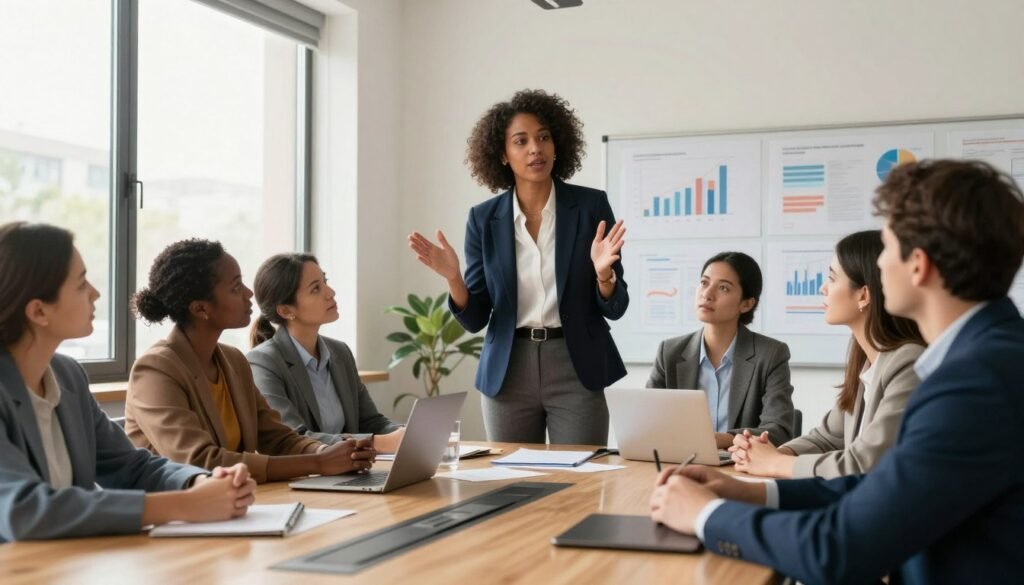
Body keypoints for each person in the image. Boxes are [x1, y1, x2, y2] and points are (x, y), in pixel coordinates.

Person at [649, 159, 1024, 584]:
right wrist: (752, 492)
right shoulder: (986, 357)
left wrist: (705, 515)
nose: (879, 268)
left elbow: (838, 547)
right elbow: (883, 487)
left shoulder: (975, 383)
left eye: (886, 249)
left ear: (918, 265)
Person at [0, 222, 255, 542]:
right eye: (81, 284)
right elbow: (23, 510)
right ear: (38, 311)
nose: (95, 292)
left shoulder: (68, 377)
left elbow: (132, 467)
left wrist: (201, 483)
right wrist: (185, 505)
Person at [407, 89, 628, 444]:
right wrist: (453, 278)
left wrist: (604, 275)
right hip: (509, 368)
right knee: (512, 482)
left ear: (558, 146)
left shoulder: (590, 207)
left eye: (543, 137)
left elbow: (616, 306)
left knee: (580, 483)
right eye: (521, 141)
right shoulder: (483, 219)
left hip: (576, 364)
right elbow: (477, 315)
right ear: (503, 155)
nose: (535, 149)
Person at [125, 239, 375, 484]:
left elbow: (277, 438)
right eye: (236, 287)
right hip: (172, 513)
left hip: (228, 505)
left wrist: (328, 453)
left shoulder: (233, 360)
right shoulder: (156, 370)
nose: (249, 293)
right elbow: (200, 461)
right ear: (201, 309)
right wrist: (318, 463)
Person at [729, 231, 925, 478]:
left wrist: (775, 464)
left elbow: (865, 463)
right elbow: (828, 437)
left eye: (832, 278)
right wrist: (773, 452)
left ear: (863, 295)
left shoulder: (908, 363)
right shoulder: (865, 362)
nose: (823, 288)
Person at [247, 253, 404, 452]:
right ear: (286, 311)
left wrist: (408, 434)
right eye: (315, 288)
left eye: (325, 281)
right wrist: (374, 442)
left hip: (352, 472)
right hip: (301, 478)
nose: (330, 292)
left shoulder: (340, 352)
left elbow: (370, 422)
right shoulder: (263, 362)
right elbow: (294, 437)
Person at [647, 252, 794, 448]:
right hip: (678, 462)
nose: (707, 294)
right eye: (704, 283)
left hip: (739, 467)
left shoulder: (771, 354)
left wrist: (723, 440)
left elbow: (778, 431)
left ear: (747, 304)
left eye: (723, 288)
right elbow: (648, 420)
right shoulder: (670, 352)